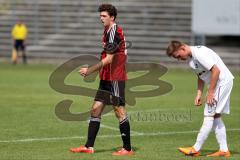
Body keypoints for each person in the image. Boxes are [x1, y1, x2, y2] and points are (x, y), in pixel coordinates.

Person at [70, 4, 133, 156]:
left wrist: (89, 70)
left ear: (112, 17)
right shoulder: (107, 30)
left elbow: (110, 59)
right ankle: (89, 147)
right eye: (100, 16)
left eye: (104, 16)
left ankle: (127, 149)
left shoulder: (114, 31)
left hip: (115, 78)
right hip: (106, 77)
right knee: (96, 109)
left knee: (119, 111)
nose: (101, 18)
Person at [166, 41, 234, 157]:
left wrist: (210, 92)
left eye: (178, 56)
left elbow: (216, 71)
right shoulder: (192, 61)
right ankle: (224, 150)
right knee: (215, 115)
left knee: (208, 115)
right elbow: (201, 76)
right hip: (220, 83)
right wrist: (199, 94)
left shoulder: (199, 53)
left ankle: (195, 149)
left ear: (182, 48)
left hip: (222, 82)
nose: (179, 59)